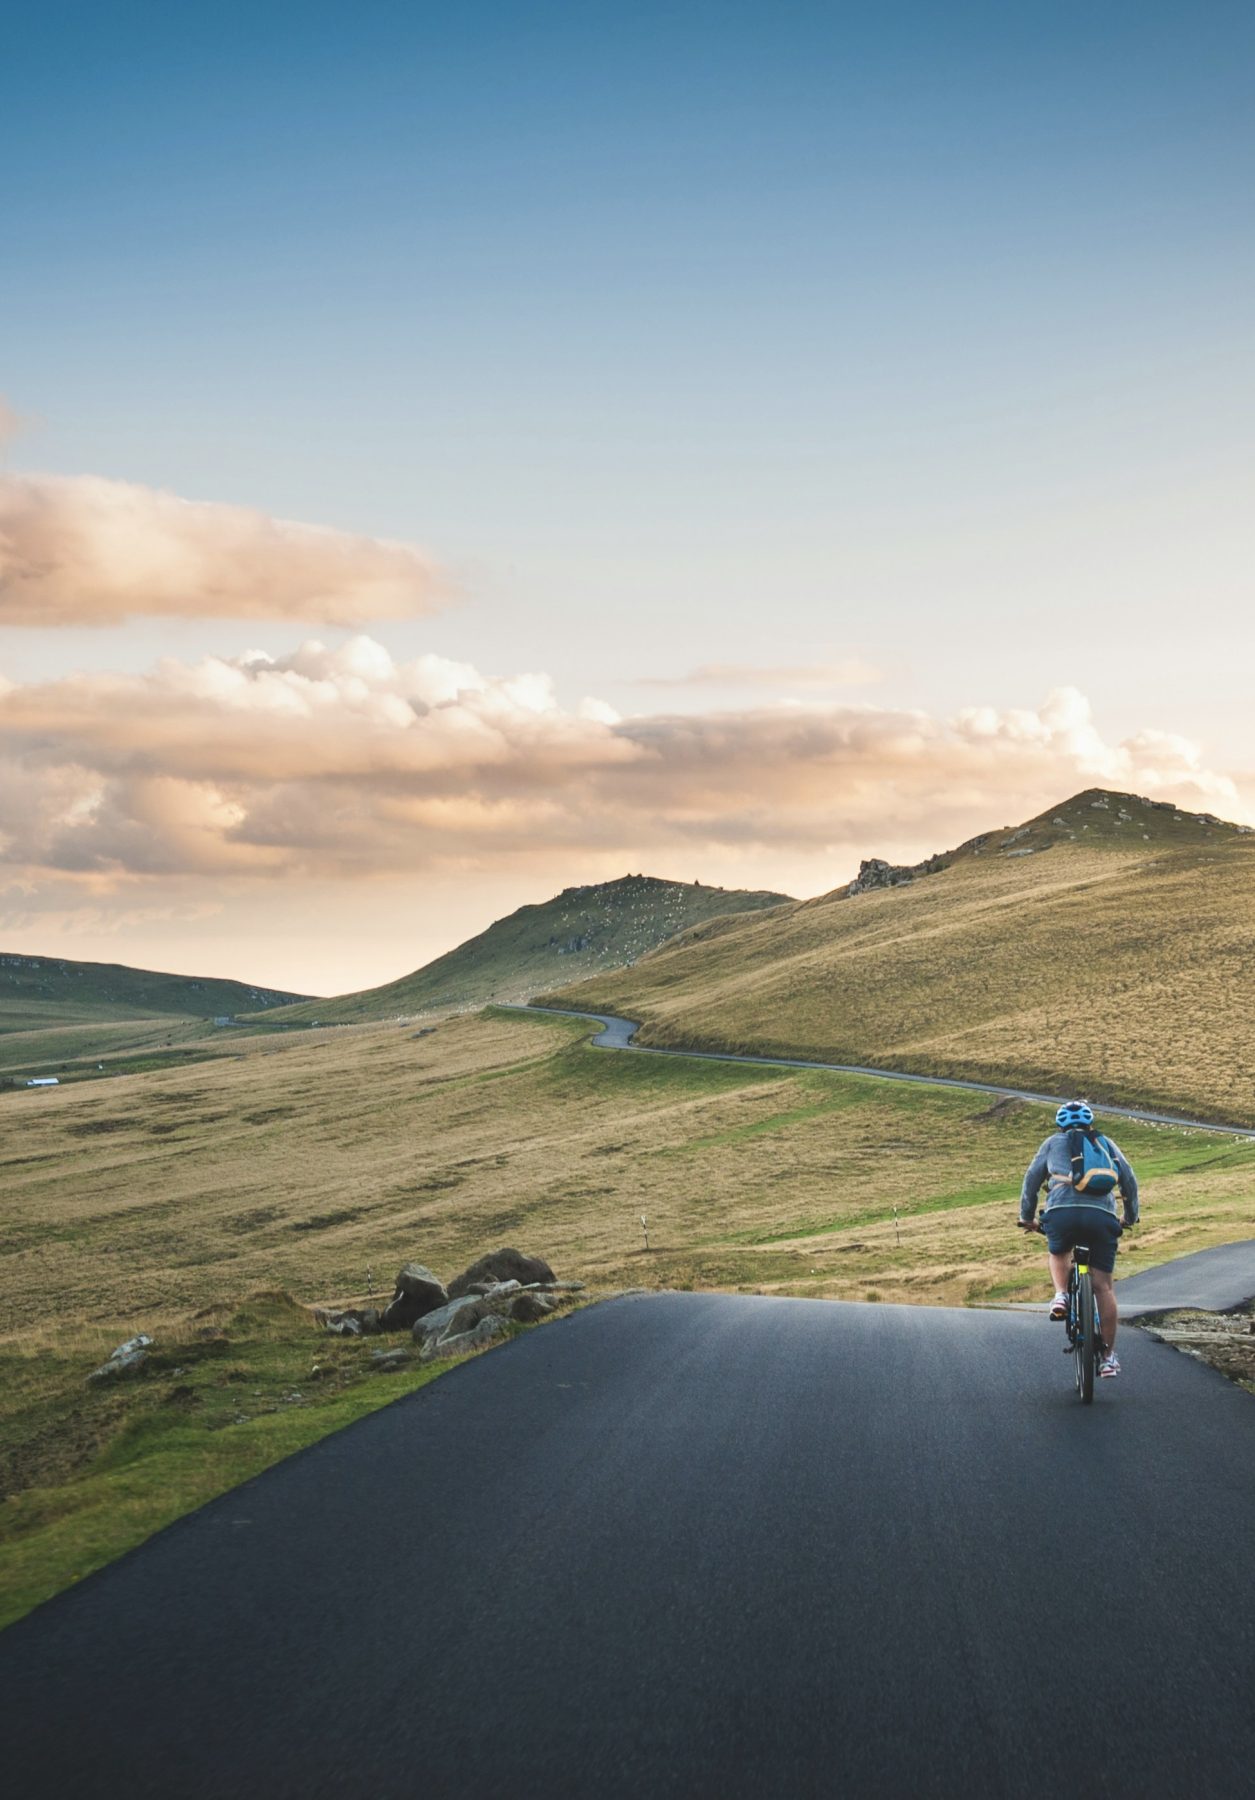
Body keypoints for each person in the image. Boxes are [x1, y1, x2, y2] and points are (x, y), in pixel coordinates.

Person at [1019, 1101, 1139, 1378]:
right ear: (1090, 1123)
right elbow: (1129, 1181)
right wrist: (1129, 1218)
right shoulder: (1106, 1143)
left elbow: (1031, 1180)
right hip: (1102, 1217)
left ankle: (1061, 1295)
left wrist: (1027, 1217)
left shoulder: (1053, 1143)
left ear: (1060, 1125)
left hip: (1062, 1213)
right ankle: (1108, 1358)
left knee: (1058, 1250)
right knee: (1104, 1288)